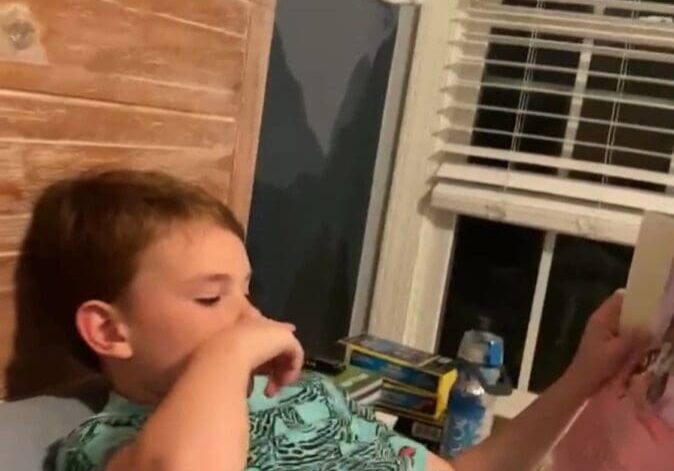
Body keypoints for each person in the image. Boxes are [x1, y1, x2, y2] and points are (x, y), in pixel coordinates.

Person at [19, 170, 646, 471]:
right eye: (210, 299)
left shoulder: (311, 396)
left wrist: (586, 373)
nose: (251, 315)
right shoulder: (107, 447)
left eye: (247, 290)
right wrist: (229, 354)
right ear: (109, 331)